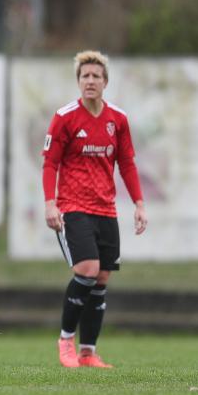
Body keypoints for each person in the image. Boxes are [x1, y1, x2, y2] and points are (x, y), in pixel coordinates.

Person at [43, 50, 147, 369]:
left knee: (101, 279)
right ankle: (65, 342)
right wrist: (50, 203)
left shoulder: (118, 119)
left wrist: (139, 204)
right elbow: (51, 163)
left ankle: (88, 353)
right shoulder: (65, 117)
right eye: (85, 76)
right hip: (73, 208)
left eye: (96, 76)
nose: (90, 81)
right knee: (87, 270)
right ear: (78, 81)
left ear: (105, 82)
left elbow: (127, 163)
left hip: (106, 210)